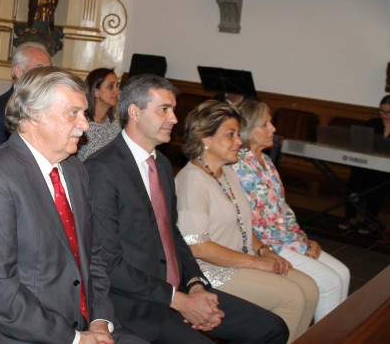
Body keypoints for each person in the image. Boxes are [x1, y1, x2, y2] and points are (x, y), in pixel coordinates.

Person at [85, 75, 289, 344]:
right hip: (136, 302)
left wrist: (196, 285)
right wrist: (180, 301)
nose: (173, 119)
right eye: (164, 109)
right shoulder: (102, 169)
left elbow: (174, 236)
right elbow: (110, 264)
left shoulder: (163, 165)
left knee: (273, 328)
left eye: (173, 109)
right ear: (135, 112)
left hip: (177, 287)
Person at [0, 66, 148, 344]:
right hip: (19, 334)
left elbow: (93, 255)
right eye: (73, 113)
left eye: (83, 113)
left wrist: (100, 320)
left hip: (85, 322)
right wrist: (73, 338)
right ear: (34, 115)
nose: (85, 124)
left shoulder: (74, 169)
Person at [175, 100, 318, 341]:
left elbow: (241, 223)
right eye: (230, 135)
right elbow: (198, 247)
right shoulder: (192, 180)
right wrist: (254, 262)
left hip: (239, 261)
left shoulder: (228, 172)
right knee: (291, 297)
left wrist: (264, 250)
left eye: (237, 134)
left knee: (310, 289)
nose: (239, 141)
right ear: (205, 138)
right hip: (213, 272)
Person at [233, 100, 350, 321]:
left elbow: (283, 210)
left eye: (271, 123)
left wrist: (304, 240)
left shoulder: (266, 160)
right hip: (263, 245)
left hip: (287, 239)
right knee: (330, 282)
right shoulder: (236, 165)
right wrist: (295, 246)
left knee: (343, 273)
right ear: (247, 130)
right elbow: (247, 223)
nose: (273, 129)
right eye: (265, 124)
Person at [0, 42, 51, 155]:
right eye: (39, 69)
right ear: (19, 71)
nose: (46, 76)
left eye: (49, 71)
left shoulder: (52, 108)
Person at [339, 94, 390, 234]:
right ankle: (350, 218)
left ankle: (370, 221)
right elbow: (360, 145)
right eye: (381, 111)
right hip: (368, 166)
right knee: (356, 179)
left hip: (386, 171)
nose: (384, 115)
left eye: (388, 112)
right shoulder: (373, 123)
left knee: (376, 187)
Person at [77, 68, 121, 161]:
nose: (117, 91)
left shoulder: (115, 126)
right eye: (110, 86)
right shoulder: (82, 124)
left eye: (117, 85)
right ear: (96, 92)